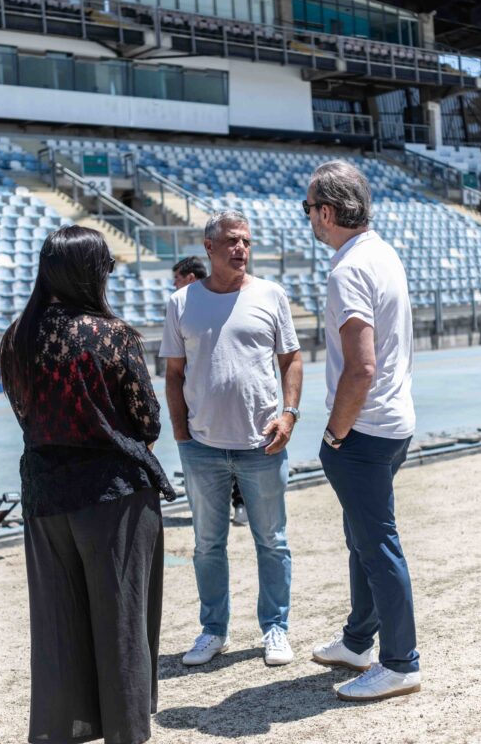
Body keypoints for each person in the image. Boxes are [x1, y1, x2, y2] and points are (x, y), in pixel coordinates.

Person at [0, 225, 175, 744]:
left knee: (59, 623)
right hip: (113, 493)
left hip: (45, 494)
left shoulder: (17, 337)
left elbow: (24, 413)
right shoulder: (112, 335)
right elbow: (147, 423)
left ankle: (65, 730)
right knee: (122, 620)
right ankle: (127, 733)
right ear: (90, 272)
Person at [161, 211, 302, 668]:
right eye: (231, 242)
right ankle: (213, 630)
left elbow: (292, 360)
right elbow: (174, 374)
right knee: (207, 544)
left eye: (245, 241)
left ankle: (275, 628)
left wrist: (289, 414)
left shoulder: (270, 295)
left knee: (272, 541)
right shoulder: (182, 303)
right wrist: (181, 433)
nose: (240, 248)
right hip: (202, 447)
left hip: (263, 444)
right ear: (209, 247)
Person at [304, 160, 421, 701]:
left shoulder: (347, 269)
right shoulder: (382, 252)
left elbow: (361, 367)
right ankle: (357, 641)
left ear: (327, 212)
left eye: (310, 210)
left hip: (365, 430)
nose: (309, 219)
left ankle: (400, 662)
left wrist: (334, 434)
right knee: (362, 537)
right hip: (393, 423)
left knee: (376, 545)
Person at [171, 254, 248, 527]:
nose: (174, 286)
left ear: (190, 278)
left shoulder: (220, 303)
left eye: (176, 280)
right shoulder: (179, 307)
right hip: (202, 400)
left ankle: (238, 503)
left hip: (225, 399)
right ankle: (220, 507)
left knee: (233, 450)